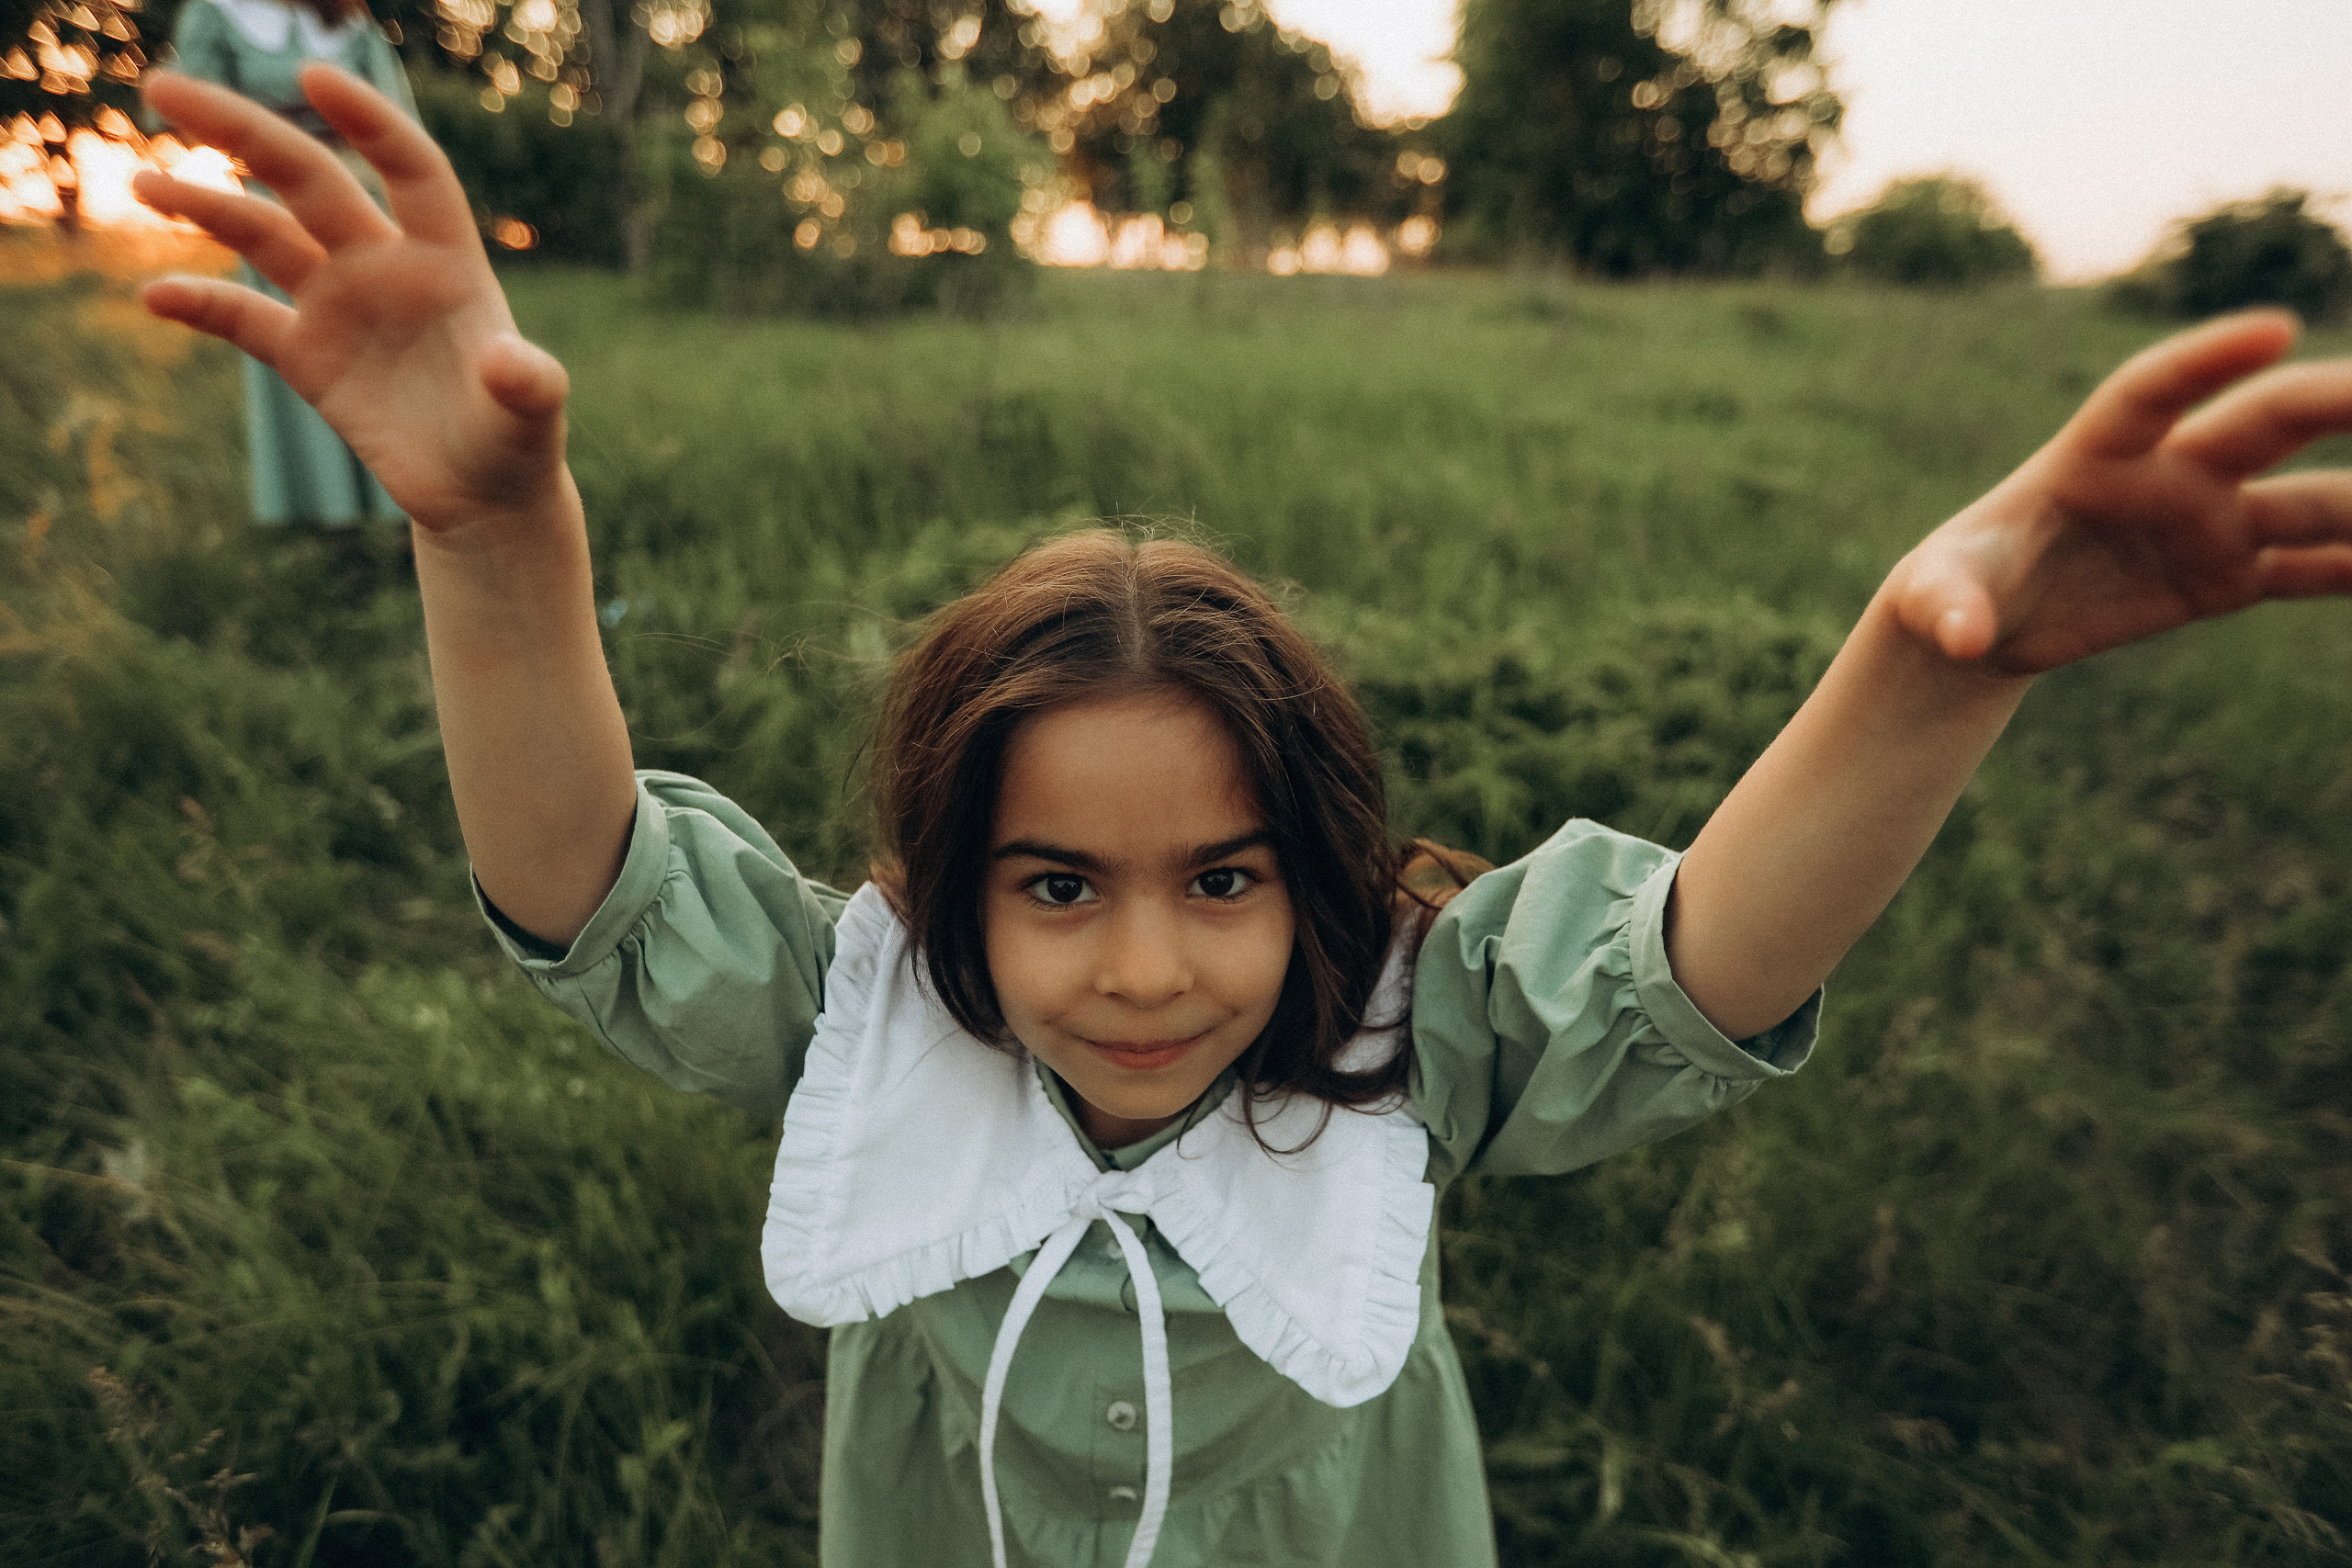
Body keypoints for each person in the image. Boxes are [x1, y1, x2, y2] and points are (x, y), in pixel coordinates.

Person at [130, 63, 2352, 1568]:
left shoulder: (1412, 1032)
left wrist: (1920, 669)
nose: (1141, 960)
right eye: (1050, 882)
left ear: (1324, 869)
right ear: (935, 885)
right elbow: (588, 887)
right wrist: (494, 541)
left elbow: (1701, 964)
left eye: (1224, 876)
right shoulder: (867, 1017)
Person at [164, 0, 413, 532]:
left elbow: (398, 121)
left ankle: (402, 507)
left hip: (362, 199)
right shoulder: (218, 14)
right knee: (302, 345)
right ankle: (331, 522)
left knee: (379, 348)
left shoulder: (349, 20)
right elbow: (189, 113)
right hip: (277, 206)